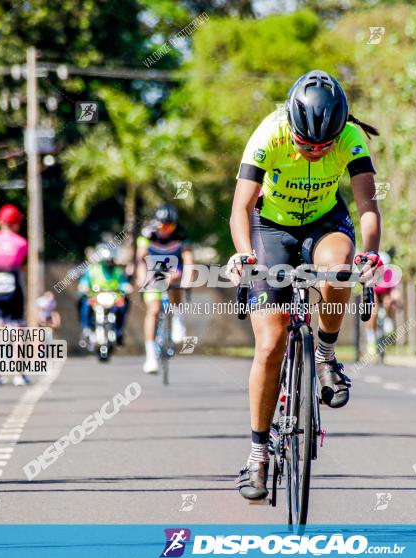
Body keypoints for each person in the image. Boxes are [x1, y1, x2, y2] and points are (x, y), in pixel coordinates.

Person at [227, 70, 381, 500]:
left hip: (324, 223)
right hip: (269, 227)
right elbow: (240, 206)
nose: (314, 152)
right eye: (305, 144)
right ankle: (258, 456)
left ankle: (326, 355)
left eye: (322, 146)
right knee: (271, 342)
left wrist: (371, 250)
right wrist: (244, 254)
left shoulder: (351, 137)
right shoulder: (269, 133)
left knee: (341, 267)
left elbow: (367, 203)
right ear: (290, 126)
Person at [135, 204, 193, 374]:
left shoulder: (181, 234)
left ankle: (177, 317)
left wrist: (187, 280)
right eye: (163, 226)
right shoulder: (147, 233)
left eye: (170, 226)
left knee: (175, 281)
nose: (166, 230)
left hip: (174, 269)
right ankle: (150, 356)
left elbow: (188, 259)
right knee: (153, 310)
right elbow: (141, 260)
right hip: (153, 271)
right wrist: (142, 278)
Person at [0, 204, 28, 386]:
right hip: (14, 287)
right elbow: (22, 265)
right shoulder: (21, 243)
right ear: (16, 223)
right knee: (17, 331)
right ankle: (19, 373)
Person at [78, 244, 131, 348]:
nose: (109, 263)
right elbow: (84, 283)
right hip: (95, 298)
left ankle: (118, 330)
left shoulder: (118, 271)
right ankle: (87, 329)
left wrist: (126, 287)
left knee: (123, 305)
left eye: (111, 260)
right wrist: (83, 287)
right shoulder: (93, 270)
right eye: (107, 260)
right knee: (85, 303)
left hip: (114, 299)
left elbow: (124, 283)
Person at [365, 251, 402, 353]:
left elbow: (394, 289)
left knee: (388, 300)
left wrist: (396, 299)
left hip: (385, 292)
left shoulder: (390, 273)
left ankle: (388, 320)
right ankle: (371, 337)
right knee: (374, 310)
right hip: (374, 291)